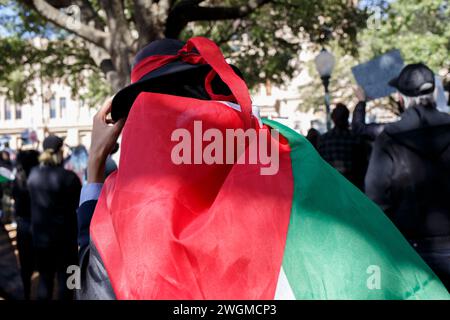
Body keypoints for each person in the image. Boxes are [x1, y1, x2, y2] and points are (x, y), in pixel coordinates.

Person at [365, 63, 450, 290]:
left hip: (409, 249)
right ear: (434, 93)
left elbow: (376, 197)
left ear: (402, 98)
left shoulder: (389, 138)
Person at [27, 135, 82, 300]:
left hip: (41, 240)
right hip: (66, 240)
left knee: (45, 281)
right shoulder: (69, 177)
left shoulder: (33, 175)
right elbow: (78, 205)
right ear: (60, 152)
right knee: (70, 284)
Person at [318, 103, 368, 190]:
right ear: (347, 117)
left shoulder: (324, 140)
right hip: (353, 186)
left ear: (333, 118)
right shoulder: (356, 139)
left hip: (332, 185)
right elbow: (363, 164)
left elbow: (320, 165)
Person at [13, 149, 40, 300]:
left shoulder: (17, 179)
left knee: (25, 266)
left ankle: (26, 294)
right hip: (39, 224)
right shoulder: (38, 179)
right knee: (43, 266)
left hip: (22, 225)